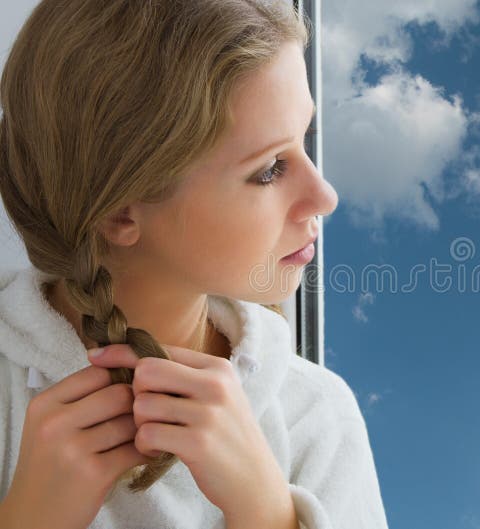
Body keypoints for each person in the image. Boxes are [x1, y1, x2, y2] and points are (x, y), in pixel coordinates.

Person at [0, 1, 389, 528]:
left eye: (306, 141)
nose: (325, 195)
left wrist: (268, 513)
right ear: (120, 211)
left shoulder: (315, 416)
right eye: (271, 168)